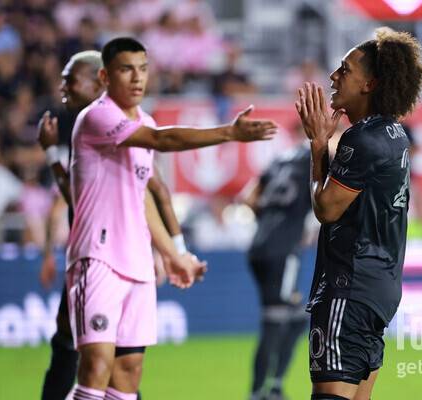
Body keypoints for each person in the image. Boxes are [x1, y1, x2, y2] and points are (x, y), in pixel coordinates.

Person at [66, 37, 276, 400]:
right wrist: (229, 132)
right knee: (96, 367)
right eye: (126, 69)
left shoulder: (143, 121)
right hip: (98, 258)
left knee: (128, 374)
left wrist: (172, 254)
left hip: (137, 263)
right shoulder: (97, 117)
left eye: (143, 69)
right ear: (105, 76)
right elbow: (162, 140)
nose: (137, 78)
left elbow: (143, 197)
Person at [37, 50, 189, 400]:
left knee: (85, 353)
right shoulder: (91, 127)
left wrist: (173, 251)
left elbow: (155, 191)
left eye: (69, 79)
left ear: (97, 82)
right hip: (98, 256)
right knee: (109, 360)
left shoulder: (113, 129)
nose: (62, 87)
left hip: (109, 260)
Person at [295, 27, 422, 400]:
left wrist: (317, 145)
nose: (334, 76)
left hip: (348, 287)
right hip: (380, 286)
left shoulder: (362, 139)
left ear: (369, 84)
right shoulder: (394, 134)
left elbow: (326, 208)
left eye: (345, 69)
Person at [241, 124, 313, 400]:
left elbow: (248, 198)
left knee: (296, 317)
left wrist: (268, 221)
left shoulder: (279, 160)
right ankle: (261, 391)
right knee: (275, 319)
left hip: (259, 246)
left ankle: (274, 386)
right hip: (283, 250)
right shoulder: (314, 158)